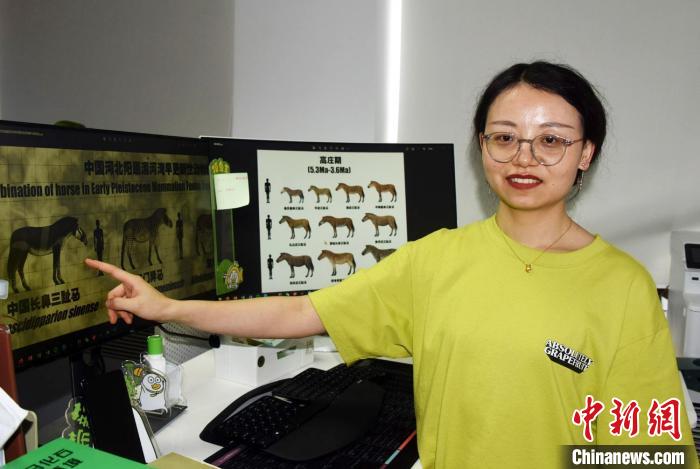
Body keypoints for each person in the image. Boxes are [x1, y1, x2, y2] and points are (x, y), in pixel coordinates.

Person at [85, 61, 696, 468]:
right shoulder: (438, 258)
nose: (524, 156)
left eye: (553, 139)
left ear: (586, 153)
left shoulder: (620, 285)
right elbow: (302, 312)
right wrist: (169, 307)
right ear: (482, 146)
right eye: (504, 136)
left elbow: (650, 447)